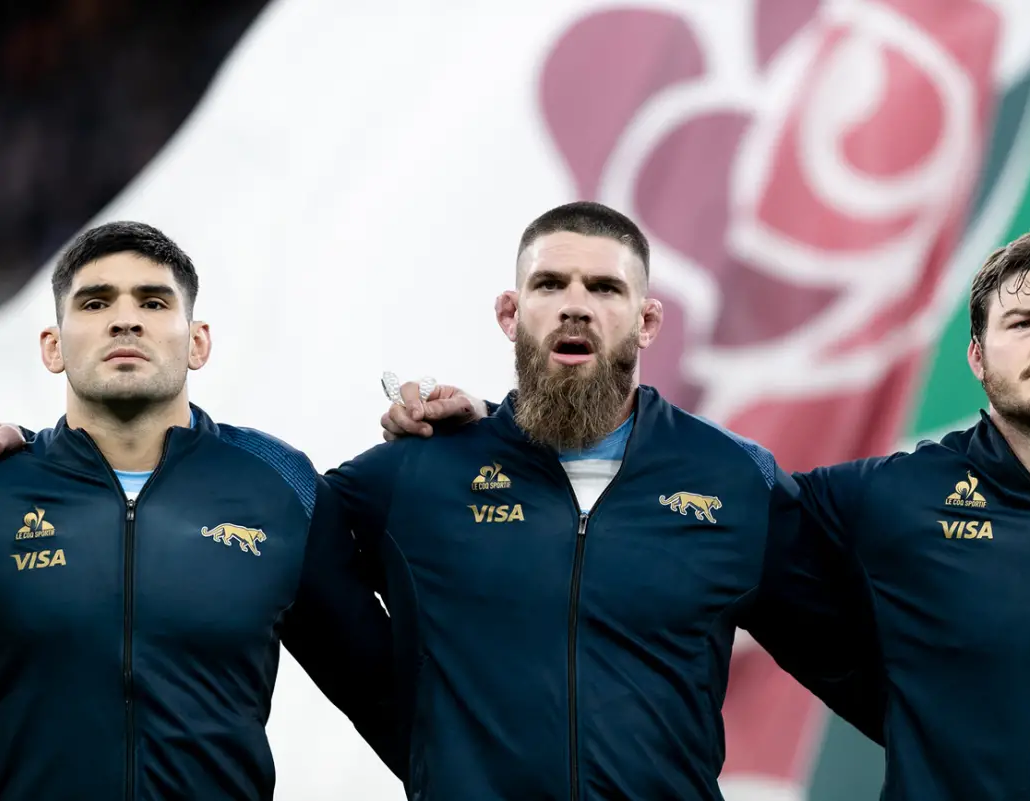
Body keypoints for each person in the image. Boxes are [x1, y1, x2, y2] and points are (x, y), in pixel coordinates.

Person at [385, 226, 1030, 799]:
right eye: (1023, 322)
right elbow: (673, 485)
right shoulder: (887, 495)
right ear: (978, 357)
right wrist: (505, 432)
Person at [321, 200, 881, 800]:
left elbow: (856, 667)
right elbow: (277, 540)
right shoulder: (419, 473)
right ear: (511, 313)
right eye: (550, 283)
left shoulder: (730, 478)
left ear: (646, 321)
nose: (576, 304)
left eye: (606, 287)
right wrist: (418, 742)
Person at [0, 222, 416, 800]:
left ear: (198, 342)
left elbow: (390, 703)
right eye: (95, 303)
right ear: (53, 345)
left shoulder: (280, 486)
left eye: (153, 301)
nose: (125, 319)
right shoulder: (4, 487)